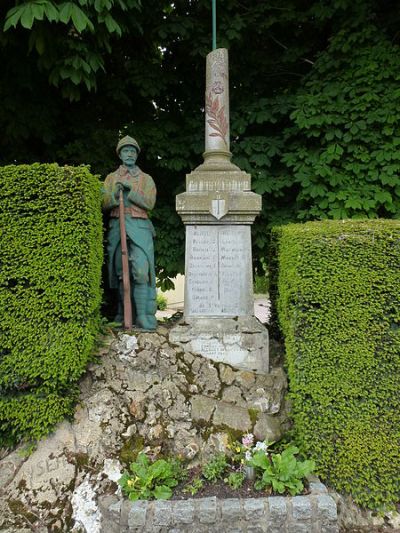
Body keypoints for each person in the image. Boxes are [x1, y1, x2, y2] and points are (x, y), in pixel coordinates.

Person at [102, 135, 157, 330]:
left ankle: (142, 316)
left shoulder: (145, 179)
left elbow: (150, 202)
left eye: (133, 151)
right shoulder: (111, 178)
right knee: (119, 273)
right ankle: (122, 312)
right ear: (120, 154)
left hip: (140, 227)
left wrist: (131, 189)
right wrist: (115, 196)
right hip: (118, 227)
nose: (130, 154)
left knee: (141, 271)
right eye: (126, 150)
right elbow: (103, 202)